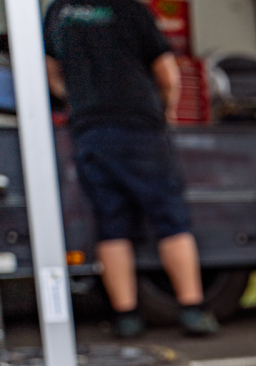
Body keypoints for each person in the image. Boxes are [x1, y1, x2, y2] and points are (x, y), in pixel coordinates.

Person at [43, 0, 218, 337]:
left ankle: (127, 318)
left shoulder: (57, 12)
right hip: (140, 127)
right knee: (170, 217)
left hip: (90, 130)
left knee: (111, 223)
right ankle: (193, 311)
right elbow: (168, 74)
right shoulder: (131, 9)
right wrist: (164, 112)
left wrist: (81, 100)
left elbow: (51, 75)